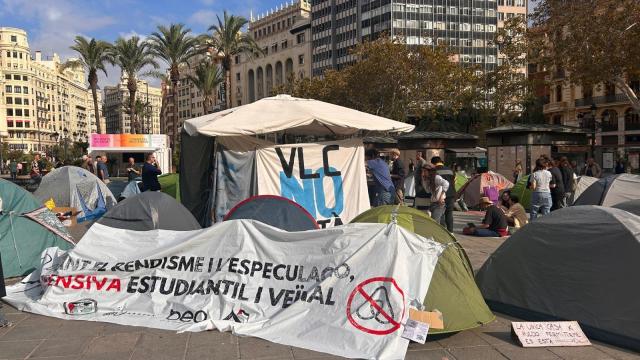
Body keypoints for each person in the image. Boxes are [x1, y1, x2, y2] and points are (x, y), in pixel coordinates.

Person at [431, 156, 455, 232]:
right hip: (451, 194)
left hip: (441, 195)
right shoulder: (450, 170)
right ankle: (451, 232)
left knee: (440, 214)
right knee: (449, 213)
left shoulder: (434, 170)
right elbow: (454, 181)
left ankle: (442, 231)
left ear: (433, 163)